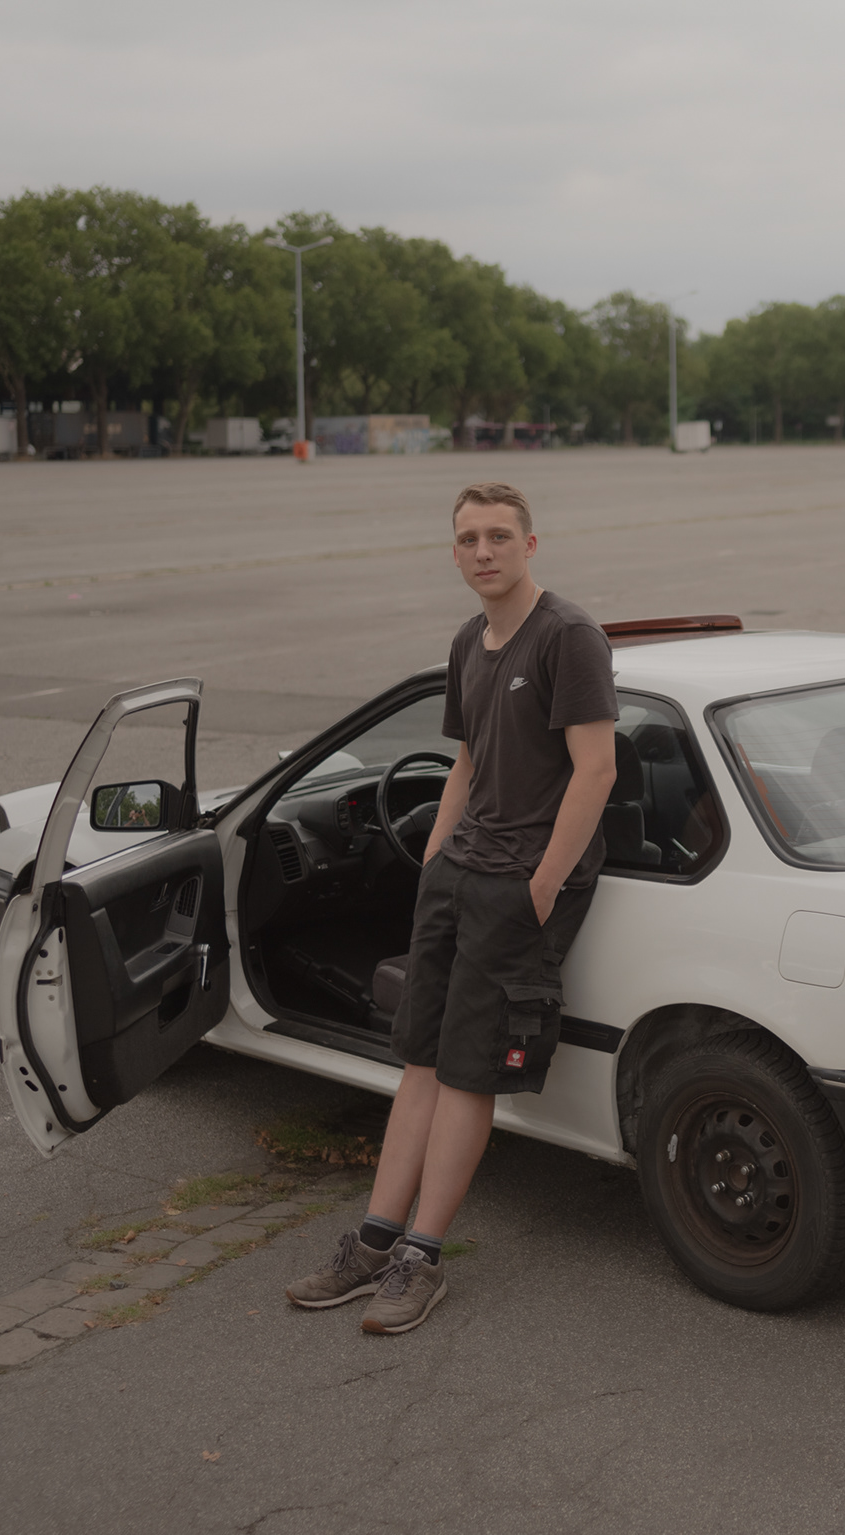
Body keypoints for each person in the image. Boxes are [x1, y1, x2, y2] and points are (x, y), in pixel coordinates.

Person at [286, 481, 619, 1334]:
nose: (483, 551)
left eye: (499, 536)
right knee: (421, 1063)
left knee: (468, 1072)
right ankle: (372, 1243)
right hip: (459, 872)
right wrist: (435, 858)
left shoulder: (568, 636)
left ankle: (422, 1257)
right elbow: (466, 761)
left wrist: (542, 884)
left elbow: (597, 770)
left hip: (518, 885)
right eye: (469, 538)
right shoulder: (470, 640)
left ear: (529, 545)